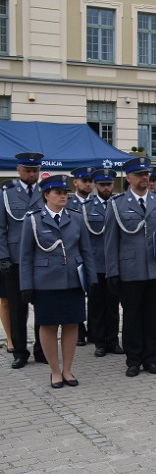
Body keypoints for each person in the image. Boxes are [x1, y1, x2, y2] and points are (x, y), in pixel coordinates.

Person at [104, 156, 156, 377]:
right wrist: (112, 271)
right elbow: (110, 242)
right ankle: (133, 359)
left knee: (152, 315)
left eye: (146, 174)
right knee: (132, 316)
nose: (144, 178)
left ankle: (151, 358)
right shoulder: (117, 204)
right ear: (128, 178)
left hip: (155, 268)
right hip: (130, 270)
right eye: (139, 175)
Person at [19, 175, 96, 388]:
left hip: (72, 280)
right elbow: (26, 256)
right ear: (46, 195)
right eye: (58, 193)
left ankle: (68, 370)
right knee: (48, 325)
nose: (63, 196)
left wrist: (92, 278)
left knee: (72, 324)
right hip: (46, 282)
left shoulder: (76, 217)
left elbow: (86, 250)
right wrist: (26, 285)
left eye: (64, 193)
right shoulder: (33, 220)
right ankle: (54, 370)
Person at [1, 152, 46, 369]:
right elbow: (1, 229)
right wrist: (3, 257)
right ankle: (20, 351)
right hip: (16, 261)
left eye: (35, 170)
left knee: (43, 307)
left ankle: (41, 349)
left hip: (41, 259)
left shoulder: (46, 192)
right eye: (27, 170)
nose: (32, 174)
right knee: (18, 309)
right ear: (18, 170)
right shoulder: (7, 194)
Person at [83, 168, 123, 357]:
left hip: (114, 264)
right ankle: (100, 342)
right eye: (102, 184)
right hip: (96, 263)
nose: (106, 188)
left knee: (113, 306)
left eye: (109, 184)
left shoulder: (118, 204)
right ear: (95, 186)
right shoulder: (87, 207)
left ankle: (113, 340)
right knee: (96, 306)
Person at [65, 166, 95, 346]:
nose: (88, 184)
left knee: (95, 296)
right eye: (84, 181)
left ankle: (94, 330)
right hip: (75, 255)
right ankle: (79, 331)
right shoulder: (68, 204)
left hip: (95, 256)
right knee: (76, 296)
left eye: (90, 181)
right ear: (75, 182)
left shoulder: (98, 203)